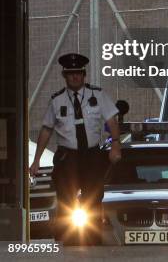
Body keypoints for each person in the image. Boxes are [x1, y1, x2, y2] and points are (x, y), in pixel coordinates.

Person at [29, 52, 121, 245]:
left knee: (93, 199)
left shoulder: (98, 95)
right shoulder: (57, 100)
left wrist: (115, 145)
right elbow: (46, 130)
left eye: (78, 72)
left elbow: (112, 121)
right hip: (68, 157)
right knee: (66, 200)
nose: (75, 76)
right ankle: (68, 240)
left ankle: (93, 240)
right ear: (65, 76)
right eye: (71, 73)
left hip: (92, 155)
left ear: (84, 74)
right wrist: (36, 160)